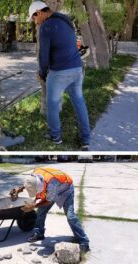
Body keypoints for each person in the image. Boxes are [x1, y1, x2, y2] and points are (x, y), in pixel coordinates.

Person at [28, 1, 91, 151]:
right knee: (79, 102)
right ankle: (86, 139)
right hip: (76, 69)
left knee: (52, 105)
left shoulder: (45, 27)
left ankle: (55, 136)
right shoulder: (65, 19)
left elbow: (43, 56)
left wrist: (42, 74)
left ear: (40, 12)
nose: (34, 21)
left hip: (59, 73)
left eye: (34, 18)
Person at [12, 167, 90, 253]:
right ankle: (39, 233)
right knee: (41, 212)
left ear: (39, 186)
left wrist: (34, 205)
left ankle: (84, 242)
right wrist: (20, 188)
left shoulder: (51, 185)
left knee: (70, 216)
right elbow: (30, 182)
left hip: (66, 189)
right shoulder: (35, 174)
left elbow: (48, 201)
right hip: (52, 187)